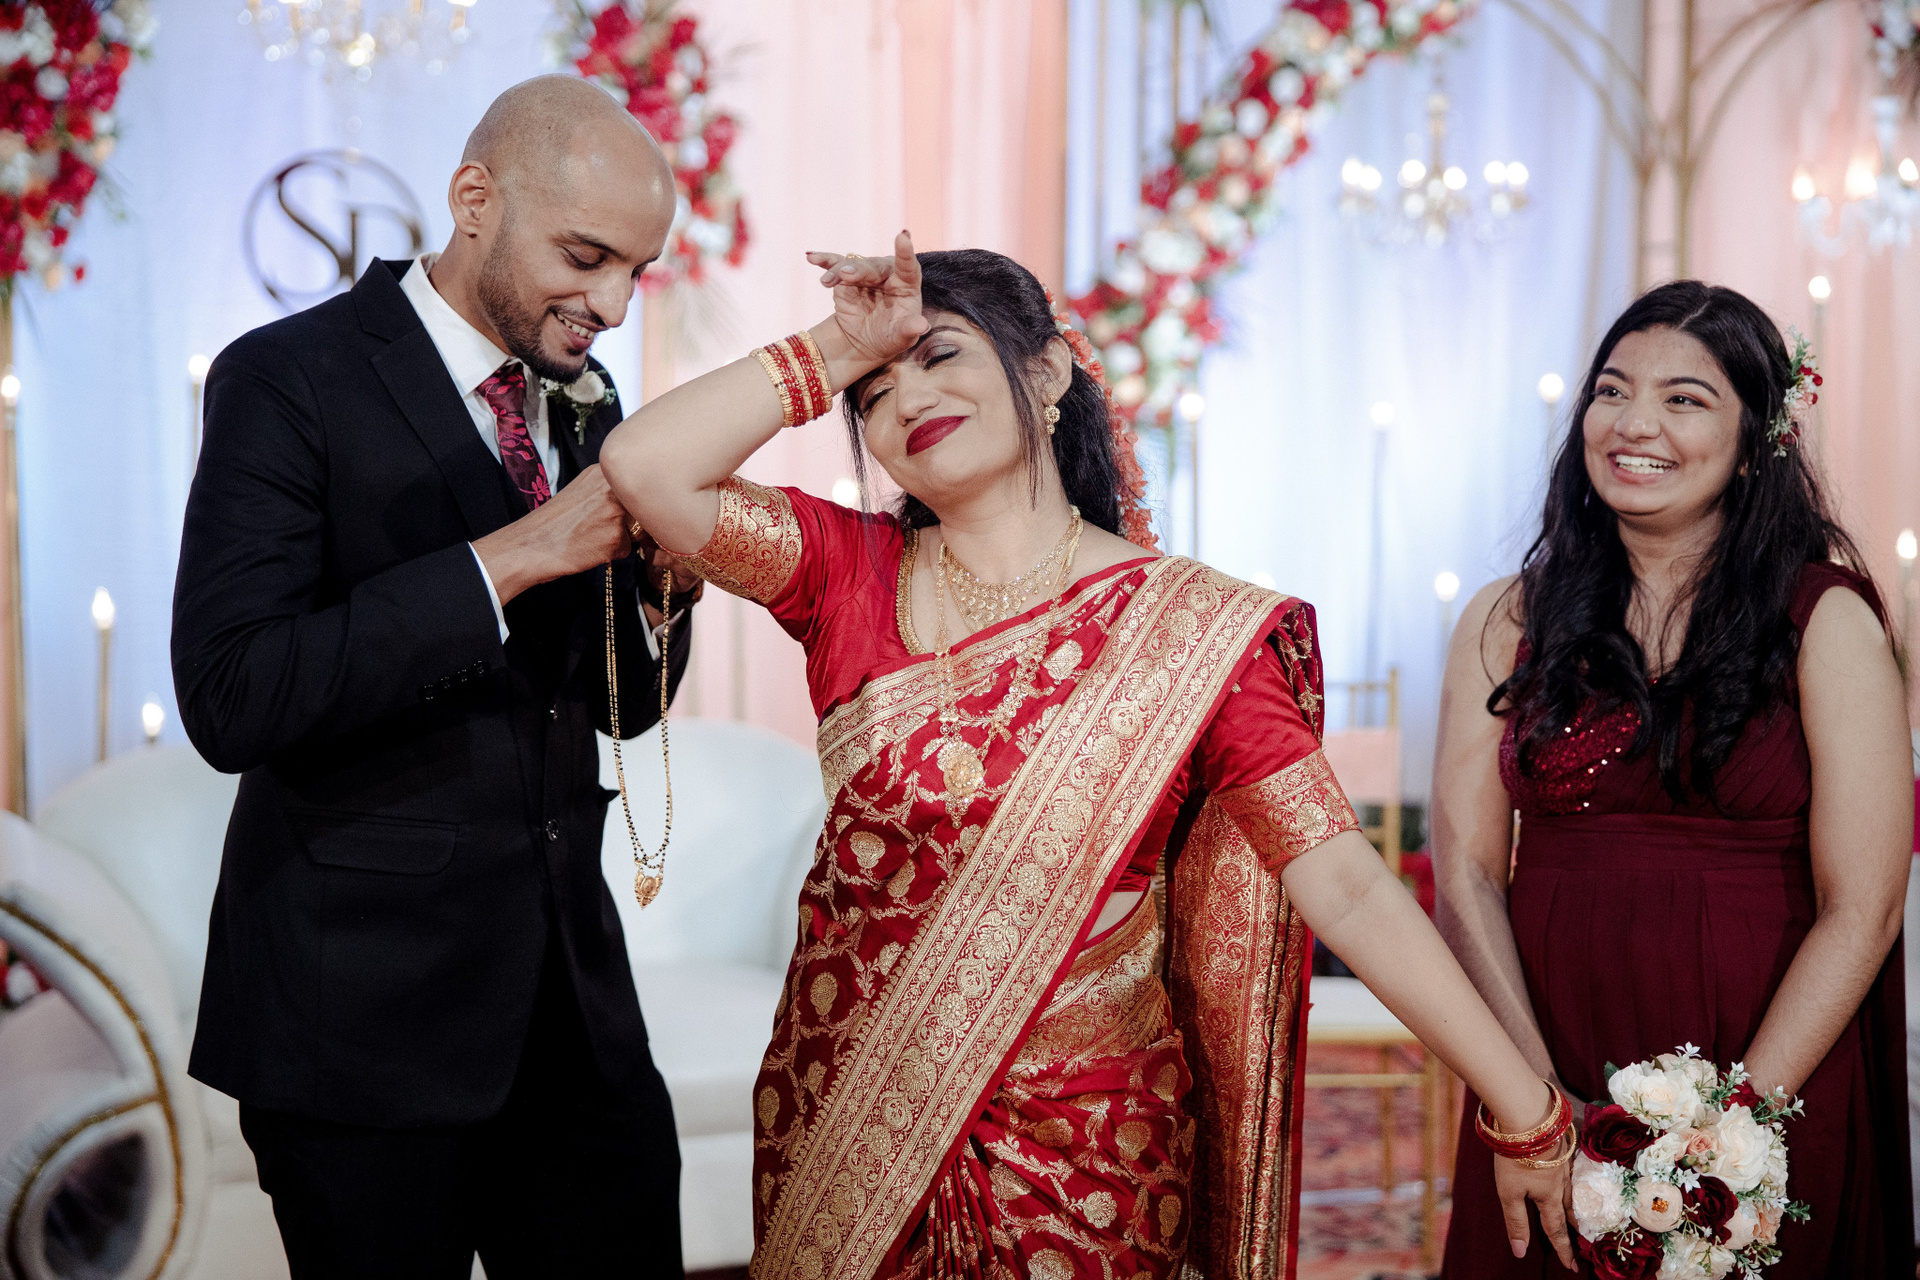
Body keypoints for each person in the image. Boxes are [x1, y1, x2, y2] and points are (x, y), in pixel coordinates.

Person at [601, 236, 1582, 1278]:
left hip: (1089, 1151)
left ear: (1047, 370)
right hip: (851, 1126)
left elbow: (1343, 881)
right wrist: (834, 347)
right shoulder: (845, 573)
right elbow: (647, 465)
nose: (907, 399)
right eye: (873, 393)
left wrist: (1522, 1104)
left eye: (939, 354)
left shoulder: (1192, 633)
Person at [172, 76, 697, 1278]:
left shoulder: (590, 398)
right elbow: (232, 692)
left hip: (575, 1017)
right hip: (355, 1021)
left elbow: (619, 706)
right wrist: (520, 554)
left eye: (637, 270)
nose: (612, 305)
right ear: (474, 200)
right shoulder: (285, 377)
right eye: (585, 257)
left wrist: (663, 591)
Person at [1434, 281, 1915, 1277]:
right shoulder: (1506, 617)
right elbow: (1468, 875)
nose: (1634, 423)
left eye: (1684, 399)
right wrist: (1534, 1102)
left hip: (1772, 1061)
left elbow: (1863, 908)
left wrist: (1732, 1133)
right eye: (1612, 390)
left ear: (1756, 438)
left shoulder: (1827, 621)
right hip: (1548, 1053)